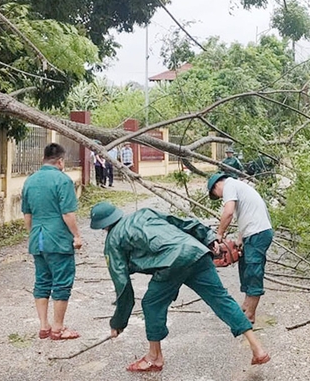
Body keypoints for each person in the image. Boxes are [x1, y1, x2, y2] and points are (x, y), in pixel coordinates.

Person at [89, 202, 270, 372]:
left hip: (172, 262)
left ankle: (154, 357)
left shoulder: (112, 242)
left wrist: (118, 322)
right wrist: (208, 237)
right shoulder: (145, 213)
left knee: (151, 304)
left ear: (102, 226)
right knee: (221, 299)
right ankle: (258, 349)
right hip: (196, 252)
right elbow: (181, 222)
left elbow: (122, 286)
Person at [21, 143, 83, 341]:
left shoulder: (30, 181)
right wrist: (77, 236)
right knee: (62, 283)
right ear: (61, 161)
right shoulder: (63, 181)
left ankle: (43, 326)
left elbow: (27, 215)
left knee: (42, 281)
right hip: (58, 240)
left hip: (37, 240)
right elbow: (67, 214)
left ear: (43, 160)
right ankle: (58, 328)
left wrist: (33, 234)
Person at [207, 172, 274, 324]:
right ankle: (246, 306)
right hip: (252, 233)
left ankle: (250, 315)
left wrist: (219, 234)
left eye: (216, 195)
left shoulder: (229, 185)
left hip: (258, 233)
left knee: (253, 271)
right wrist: (240, 239)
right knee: (245, 268)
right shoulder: (238, 187)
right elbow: (245, 216)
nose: (219, 197)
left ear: (216, 186)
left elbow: (228, 212)